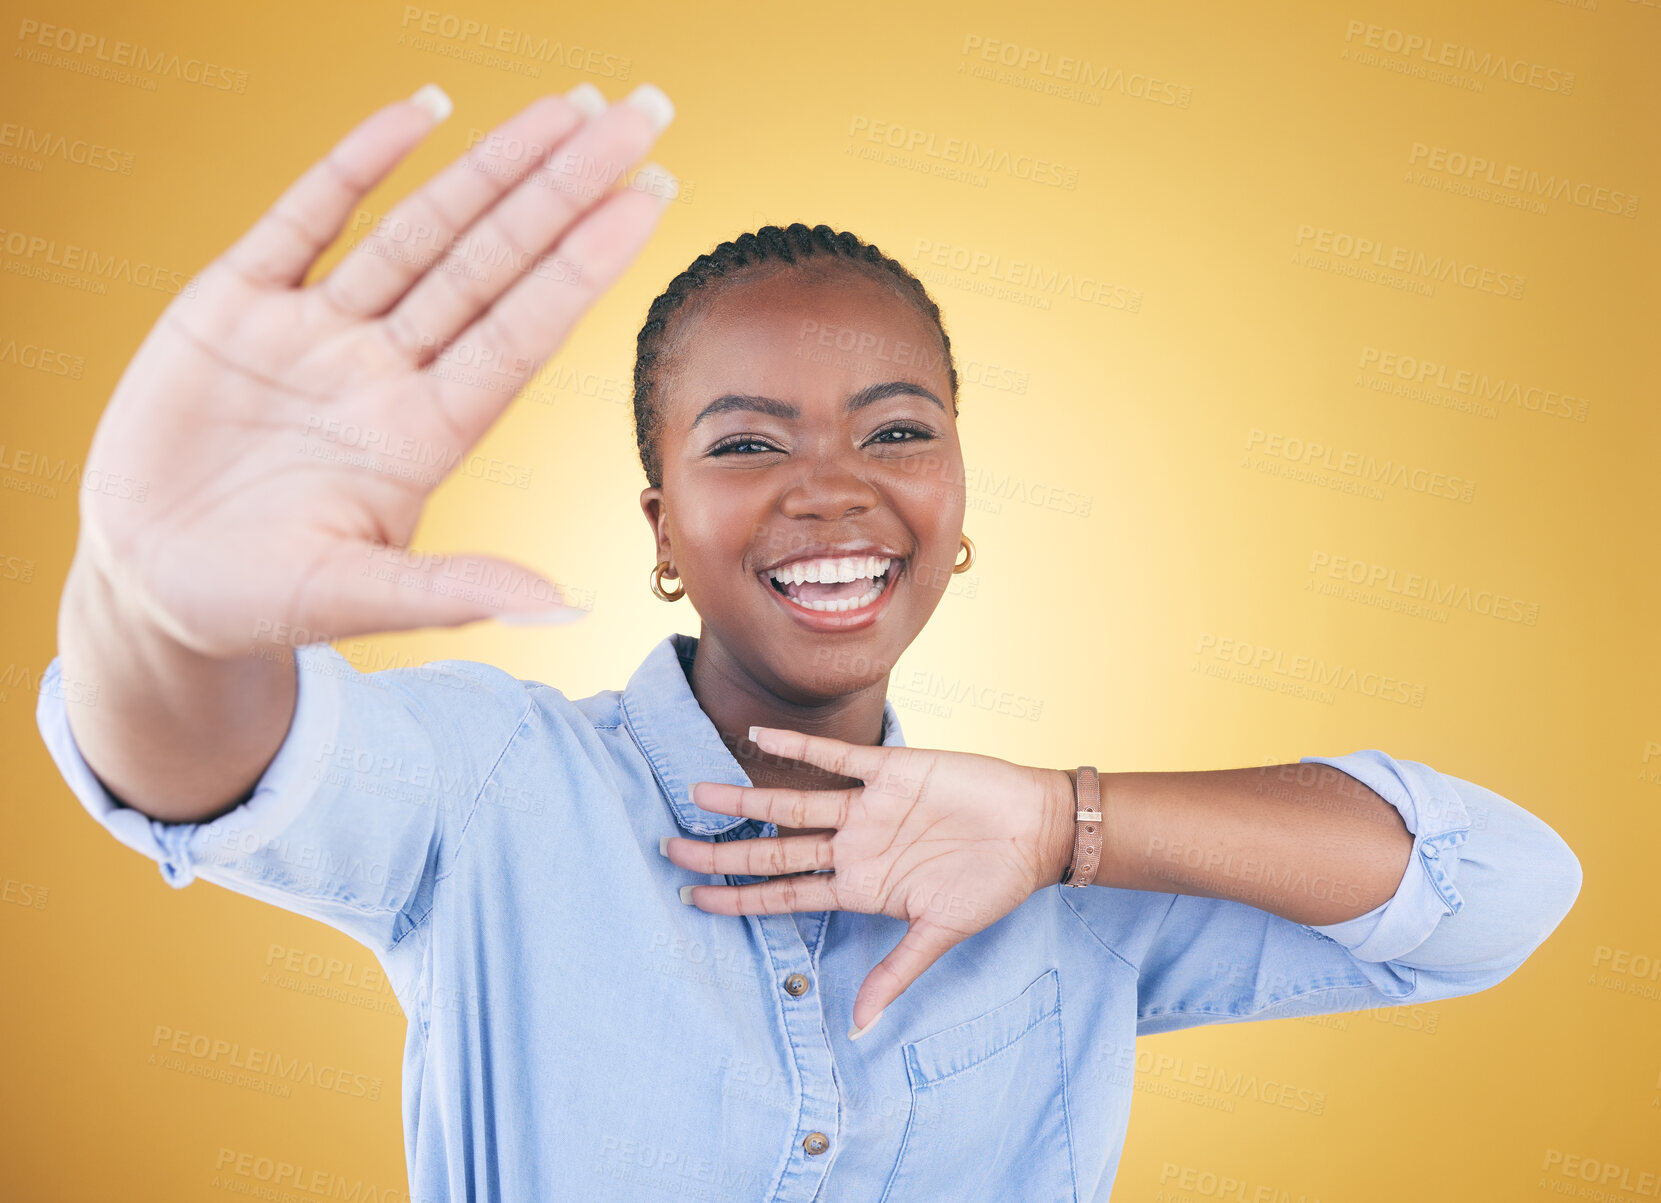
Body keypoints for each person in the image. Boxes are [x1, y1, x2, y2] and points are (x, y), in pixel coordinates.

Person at [33, 78, 1583, 1202]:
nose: (833, 492)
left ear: (959, 495)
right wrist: (158, 602)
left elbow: (1499, 894)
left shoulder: (1078, 892)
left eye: (894, 430)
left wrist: (1061, 823)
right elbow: (206, 762)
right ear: (657, 527)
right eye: (747, 444)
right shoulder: (500, 790)